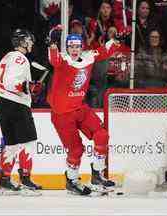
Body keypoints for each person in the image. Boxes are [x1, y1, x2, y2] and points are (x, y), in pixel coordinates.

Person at [47, 33, 119, 196]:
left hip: (80, 108)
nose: (74, 50)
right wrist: (52, 45)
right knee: (76, 150)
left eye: (77, 46)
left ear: (82, 47)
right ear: (66, 47)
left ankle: (97, 175)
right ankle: (72, 181)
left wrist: (116, 41)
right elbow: (54, 60)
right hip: (62, 114)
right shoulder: (63, 60)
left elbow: (104, 51)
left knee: (102, 135)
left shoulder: (88, 57)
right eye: (71, 46)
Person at [0, 29, 43, 196]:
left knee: (12, 144)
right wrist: (29, 87)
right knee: (29, 142)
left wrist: (28, 86)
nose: (32, 44)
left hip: (2, 102)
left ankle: (5, 180)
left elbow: (5, 81)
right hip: (16, 103)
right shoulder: (20, 58)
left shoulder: (7, 56)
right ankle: (26, 180)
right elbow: (11, 82)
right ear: (23, 42)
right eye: (30, 41)